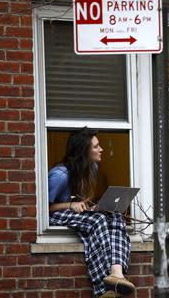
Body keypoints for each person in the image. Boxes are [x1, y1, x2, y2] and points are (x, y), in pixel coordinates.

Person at [48, 127, 135, 298]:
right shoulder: (59, 175)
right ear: (83, 151)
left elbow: (82, 200)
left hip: (74, 213)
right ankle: (102, 288)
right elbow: (41, 209)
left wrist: (90, 208)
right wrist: (71, 204)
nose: (101, 149)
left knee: (114, 216)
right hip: (54, 215)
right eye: (96, 146)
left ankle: (117, 274)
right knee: (98, 221)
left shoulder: (92, 168)